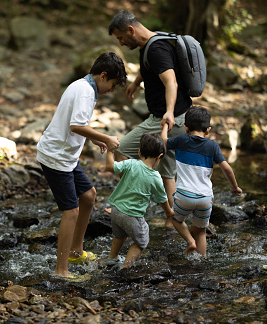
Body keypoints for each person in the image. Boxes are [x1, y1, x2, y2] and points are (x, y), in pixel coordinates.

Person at [37, 52, 128, 278]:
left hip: (65, 156)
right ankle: (61, 270)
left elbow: (73, 124)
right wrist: (106, 137)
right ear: (103, 76)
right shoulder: (86, 92)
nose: (112, 90)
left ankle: (75, 251)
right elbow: (77, 126)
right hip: (56, 157)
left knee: (88, 195)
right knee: (71, 211)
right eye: (113, 85)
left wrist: (94, 138)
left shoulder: (82, 85)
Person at [108, 10, 194, 226]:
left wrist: (169, 111)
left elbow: (171, 81)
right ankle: (171, 217)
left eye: (120, 38)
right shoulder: (153, 42)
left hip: (167, 119)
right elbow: (152, 68)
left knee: (123, 151)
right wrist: (137, 82)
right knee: (166, 171)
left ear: (131, 30)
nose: (121, 43)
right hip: (168, 117)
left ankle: (137, 203)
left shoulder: (155, 48)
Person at [161, 106, 242, 257]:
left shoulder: (181, 140)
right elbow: (227, 169)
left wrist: (165, 126)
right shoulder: (213, 146)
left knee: (174, 219)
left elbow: (163, 142)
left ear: (186, 128)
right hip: (205, 198)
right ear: (208, 130)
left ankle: (190, 241)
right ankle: (200, 262)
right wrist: (234, 186)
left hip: (184, 196)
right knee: (201, 232)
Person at [105, 133, 175, 269]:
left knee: (119, 235)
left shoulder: (130, 163)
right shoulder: (155, 177)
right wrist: (169, 212)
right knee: (142, 241)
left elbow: (110, 166)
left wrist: (110, 150)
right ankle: (126, 268)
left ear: (139, 152)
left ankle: (111, 259)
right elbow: (162, 199)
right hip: (132, 215)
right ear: (159, 157)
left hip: (116, 211)